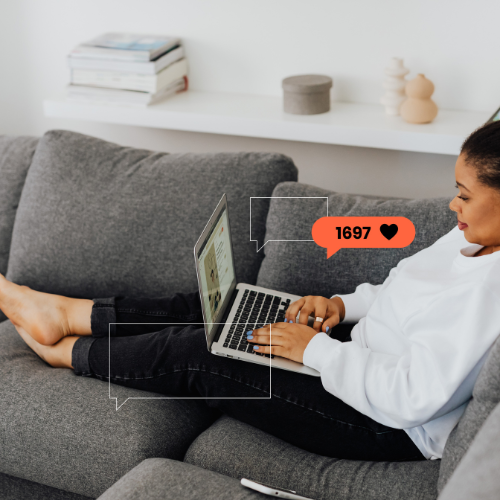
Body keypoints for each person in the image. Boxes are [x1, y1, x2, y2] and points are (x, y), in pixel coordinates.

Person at [2, 121, 500, 463]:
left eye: (464, 194)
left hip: (383, 423)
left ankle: (68, 352)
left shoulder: (492, 294)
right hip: (354, 357)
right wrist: (341, 306)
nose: (452, 205)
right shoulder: (470, 235)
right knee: (225, 307)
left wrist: (315, 350)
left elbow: (412, 398)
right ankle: (70, 313)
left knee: (202, 353)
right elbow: (400, 288)